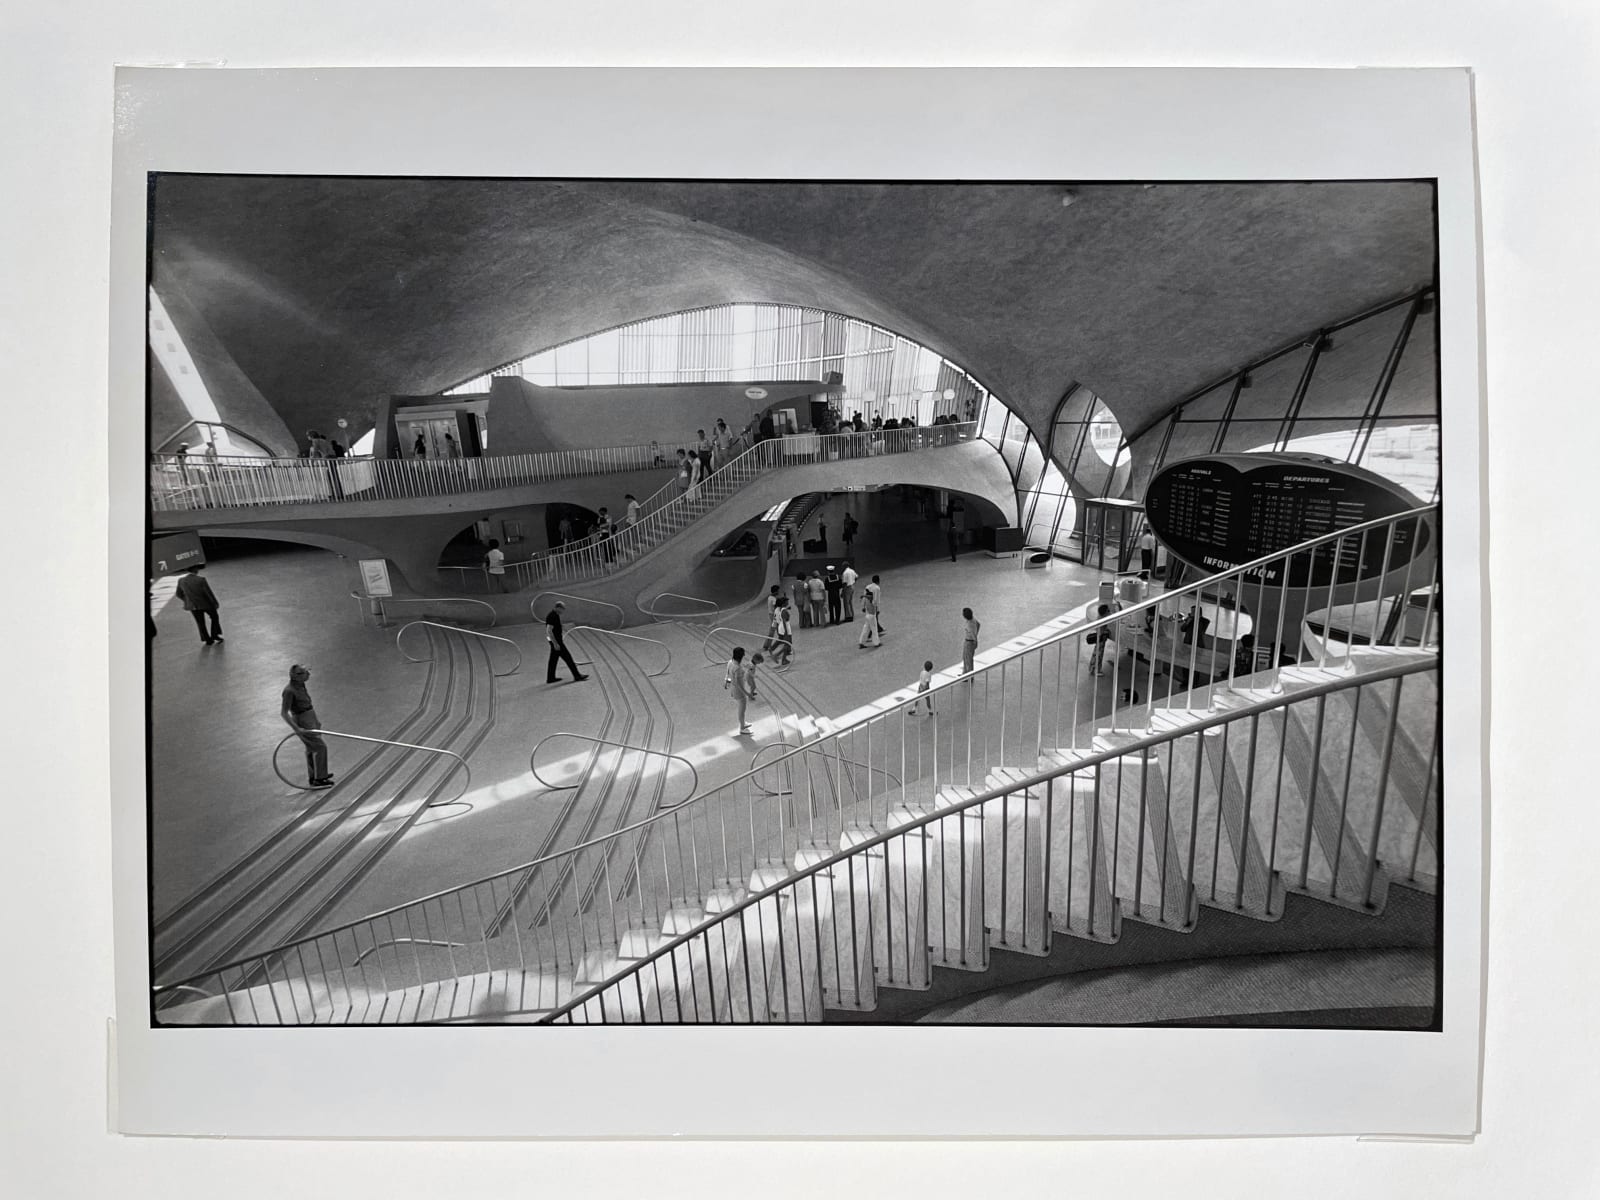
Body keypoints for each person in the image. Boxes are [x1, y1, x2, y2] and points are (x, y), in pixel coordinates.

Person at [281, 664, 332, 787]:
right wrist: (297, 728)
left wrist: (315, 721)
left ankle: (315, 775)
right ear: (296, 676)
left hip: (309, 716)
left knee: (311, 748)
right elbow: (284, 713)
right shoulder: (289, 691)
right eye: (304, 673)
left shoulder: (301, 684)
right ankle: (320, 778)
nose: (308, 675)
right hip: (302, 719)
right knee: (320, 747)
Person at [175, 565, 223, 645]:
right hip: (205, 603)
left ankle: (207, 640)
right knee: (214, 617)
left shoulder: (181, 580)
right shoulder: (201, 580)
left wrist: (186, 600)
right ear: (195, 569)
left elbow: (178, 594)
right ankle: (215, 634)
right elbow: (208, 593)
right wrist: (214, 603)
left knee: (200, 622)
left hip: (192, 606)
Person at [544, 601, 588, 684]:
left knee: (553, 660)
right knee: (568, 658)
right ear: (558, 608)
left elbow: (555, 626)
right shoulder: (552, 616)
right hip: (556, 641)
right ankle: (577, 676)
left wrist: (564, 626)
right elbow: (549, 630)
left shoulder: (555, 615)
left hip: (554, 640)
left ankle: (550, 678)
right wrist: (555, 644)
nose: (563, 611)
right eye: (562, 609)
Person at [1088, 602, 1115, 676]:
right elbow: (1112, 618)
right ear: (1105, 613)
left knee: (1096, 653)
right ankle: (1096, 670)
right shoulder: (1104, 618)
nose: (1109, 611)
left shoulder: (1100, 617)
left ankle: (1092, 668)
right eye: (1108, 610)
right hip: (1101, 638)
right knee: (1099, 654)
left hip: (1099, 637)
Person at [857, 576, 882, 648]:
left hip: (867, 608)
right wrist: (878, 610)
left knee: (866, 627)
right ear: (878, 581)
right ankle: (876, 643)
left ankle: (861, 642)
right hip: (872, 609)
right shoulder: (877, 588)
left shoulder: (867, 587)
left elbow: (865, 598)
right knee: (874, 627)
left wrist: (863, 606)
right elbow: (876, 600)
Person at [771, 601, 794, 667]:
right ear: (784, 604)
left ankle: (783, 659)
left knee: (788, 644)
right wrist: (786, 631)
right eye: (787, 602)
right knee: (787, 644)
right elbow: (784, 621)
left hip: (784, 628)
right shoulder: (784, 611)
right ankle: (777, 655)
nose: (788, 603)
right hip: (785, 628)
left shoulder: (782, 609)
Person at [961, 607, 981, 674]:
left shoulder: (970, 624)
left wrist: (975, 640)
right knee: (965, 657)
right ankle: (965, 672)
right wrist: (976, 634)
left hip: (969, 642)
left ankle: (969, 675)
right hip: (968, 641)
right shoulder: (973, 619)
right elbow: (978, 624)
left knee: (968, 659)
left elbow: (972, 634)